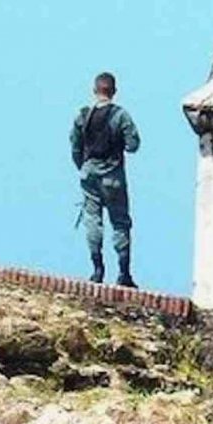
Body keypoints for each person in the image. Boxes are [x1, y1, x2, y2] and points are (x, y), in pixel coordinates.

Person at [71, 72, 140, 287]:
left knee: (92, 220)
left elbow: (75, 145)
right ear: (114, 91)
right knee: (120, 222)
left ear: (94, 91)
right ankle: (123, 273)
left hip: (89, 174)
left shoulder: (83, 115)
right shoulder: (121, 116)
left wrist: (82, 167)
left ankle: (97, 269)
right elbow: (134, 145)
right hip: (113, 176)